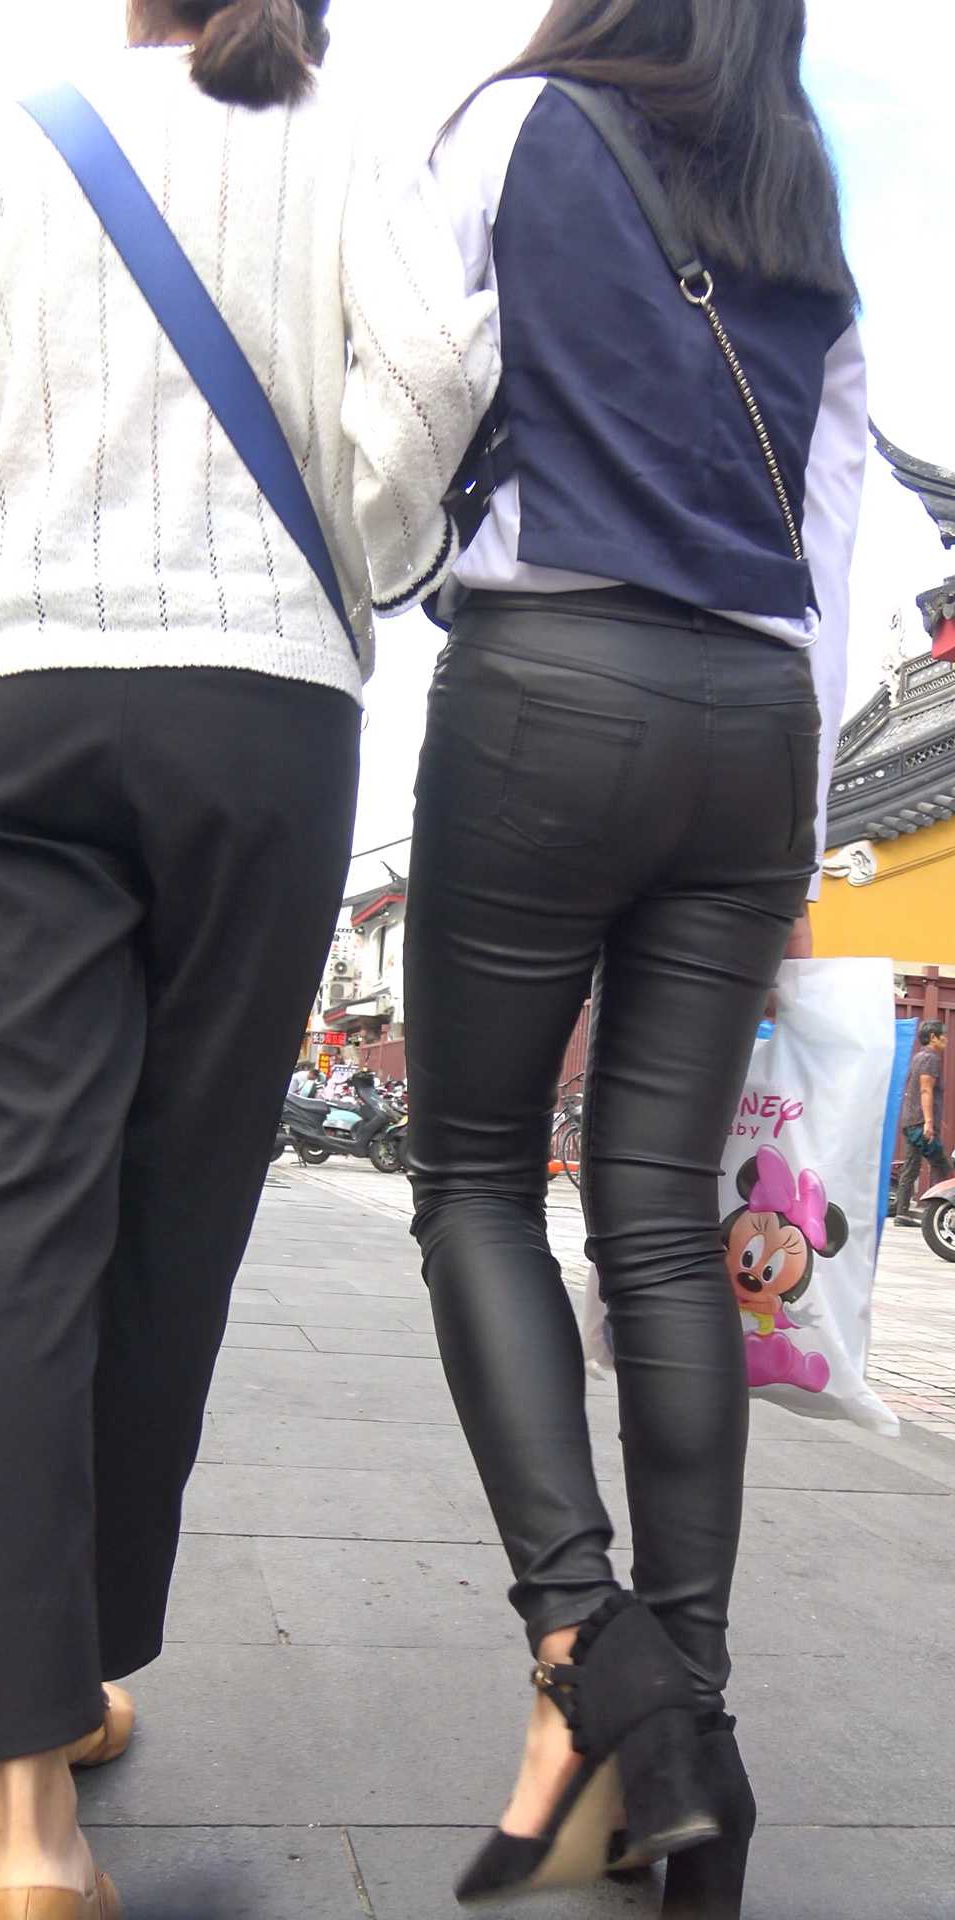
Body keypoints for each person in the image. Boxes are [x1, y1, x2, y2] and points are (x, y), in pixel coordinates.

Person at [0, 2, 497, 1914]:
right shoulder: (352, 137)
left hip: (21, 705)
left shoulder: (11, 135)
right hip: (262, 717)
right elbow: (442, 371)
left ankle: (19, 1804)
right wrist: (356, 541)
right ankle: (69, 1679)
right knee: (176, 1221)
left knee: (21, 1223)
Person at [402, 4, 866, 1915]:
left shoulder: (516, 126)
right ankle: (699, 1758)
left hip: (548, 684)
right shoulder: (806, 196)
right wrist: (799, 820)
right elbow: (832, 533)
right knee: (662, 1215)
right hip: (755, 725)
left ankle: (597, 1651)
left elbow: (410, 397)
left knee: (474, 1178)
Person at [895, 1021, 951, 1223]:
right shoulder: (931, 1058)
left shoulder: (919, 1057)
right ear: (933, 1037)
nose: (946, 1039)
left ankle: (902, 1212)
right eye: (943, 1035)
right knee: (942, 1166)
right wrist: (928, 1122)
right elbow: (925, 1090)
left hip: (911, 1121)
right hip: (920, 1123)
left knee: (911, 1167)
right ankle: (936, 1213)